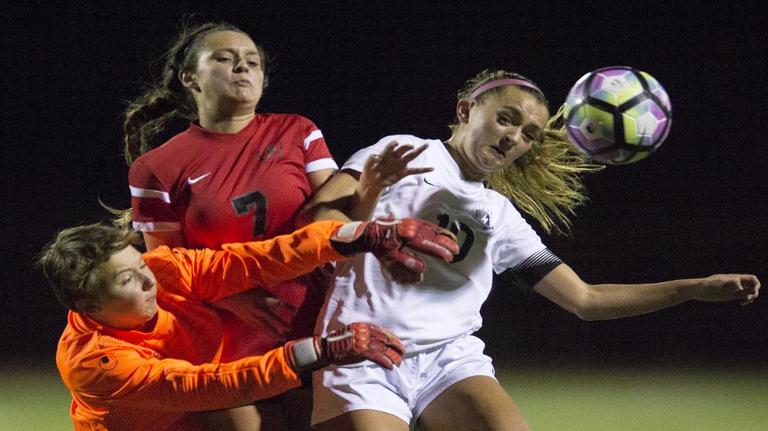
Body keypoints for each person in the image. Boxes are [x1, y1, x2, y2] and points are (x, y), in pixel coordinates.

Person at [297, 69, 762, 431]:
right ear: (465, 110)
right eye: (506, 118)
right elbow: (317, 226)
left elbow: (586, 300)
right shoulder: (404, 153)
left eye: (529, 134)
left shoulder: (499, 216)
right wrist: (370, 201)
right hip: (361, 353)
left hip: (447, 359)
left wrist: (694, 288)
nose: (513, 137)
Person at [122, 19, 345, 429]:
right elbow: (167, 267)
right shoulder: (156, 167)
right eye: (225, 59)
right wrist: (233, 300)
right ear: (190, 77)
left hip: (312, 318)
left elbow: (332, 218)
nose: (243, 68)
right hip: (224, 337)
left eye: (252, 61)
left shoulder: (299, 131)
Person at [39, 217, 459, 431]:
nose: (147, 278)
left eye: (138, 264)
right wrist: (321, 350)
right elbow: (207, 386)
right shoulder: (95, 363)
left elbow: (253, 260)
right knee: (233, 405)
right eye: (127, 279)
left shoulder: (161, 270)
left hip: (202, 416)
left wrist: (358, 234)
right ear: (86, 303)